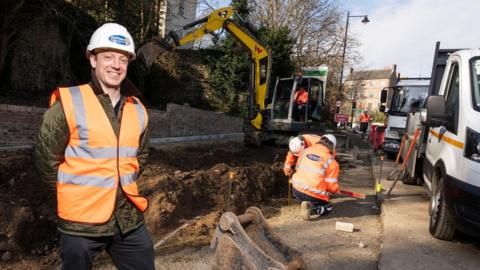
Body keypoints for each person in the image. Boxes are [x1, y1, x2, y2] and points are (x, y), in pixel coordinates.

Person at [34, 23, 154, 270]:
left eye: (122, 59)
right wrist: (74, 193)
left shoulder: (138, 110)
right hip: (80, 222)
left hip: (126, 218)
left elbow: (140, 156)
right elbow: (46, 160)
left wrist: (119, 183)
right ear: (92, 60)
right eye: (108, 57)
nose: (116, 65)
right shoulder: (69, 103)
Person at [289, 134, 340, 221]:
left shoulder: (305, 151)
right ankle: (314, 209)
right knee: (328, 207)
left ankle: (304, 202)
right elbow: (331, 186)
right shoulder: (332, 162)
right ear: (332, 147)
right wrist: (335, 190)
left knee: (306, 196)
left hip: (296, 190)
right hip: (313, 194)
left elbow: (297, 168)